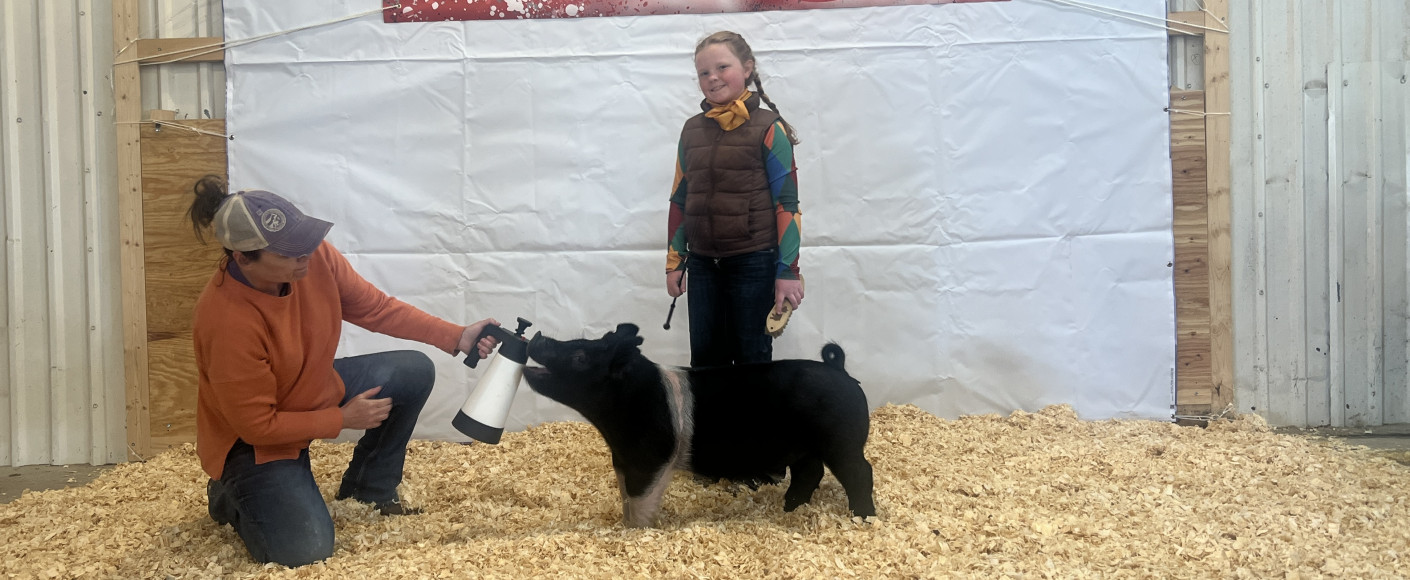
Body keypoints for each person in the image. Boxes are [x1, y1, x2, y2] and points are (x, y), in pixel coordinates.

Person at [185, 175, 500, 567]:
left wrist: (456, 336)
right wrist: (340, 419)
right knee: (306, 551)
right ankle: (229, 496)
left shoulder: (312, 260)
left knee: (411, 371)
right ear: (244, 257)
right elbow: (256, 426)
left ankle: (370, 491)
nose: (306, 255)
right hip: (254, 444)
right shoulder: (225, 321)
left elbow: (376, 308)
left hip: (309, 389)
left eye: (304, 241)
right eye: (289, 252)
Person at [665, 30, 804, 367]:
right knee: (705, 362)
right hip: (702, 263)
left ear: (747, 67)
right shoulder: (692, 129)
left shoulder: (770, 127)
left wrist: (788, 270)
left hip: (753, 262)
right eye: (703, 73)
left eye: (722, 67)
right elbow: (680, 200)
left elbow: (787, 203)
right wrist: (675, 261)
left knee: (752, 361)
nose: (712, 78)